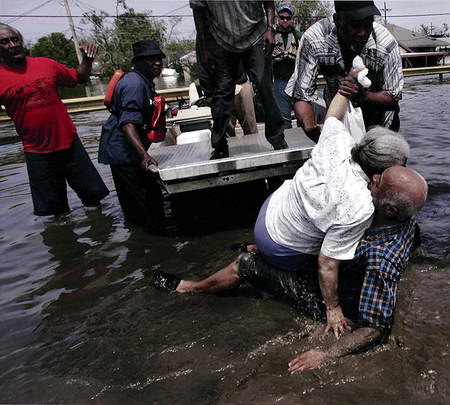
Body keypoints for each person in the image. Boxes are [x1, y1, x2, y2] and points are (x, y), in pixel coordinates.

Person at [154, 68, 411, 342]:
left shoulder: (340, 142)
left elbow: (334, 115)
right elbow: (327, 261)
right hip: (282, 246)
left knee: (328, 225)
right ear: (379, 173)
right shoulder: (359, 203)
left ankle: (253, 249)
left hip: (271, 211)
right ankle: (193, 287)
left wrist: (343, 91)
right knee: (317, 251)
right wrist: (333, 308)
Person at [0, 24, 109, 217]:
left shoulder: (46, 64)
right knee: (56, 211)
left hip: (69, 144)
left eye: (15, 39)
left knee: (93, 199)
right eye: (4, 41)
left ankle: (102, 239)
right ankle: (65, 240)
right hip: (37, 152)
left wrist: (88, 59)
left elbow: (79, 77)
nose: (12, 44)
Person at [288, 0, 403, 141]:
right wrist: (314, 131)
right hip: (338, 125)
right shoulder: (314, 40)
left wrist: (363, 96)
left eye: (368, 25)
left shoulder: (387, 45)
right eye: (355, 26)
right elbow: (301, 95)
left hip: (381, 127)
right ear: (337, 20)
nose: (362, 33)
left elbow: (393, 96)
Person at [190, 0, 288, 159]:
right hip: (221, 39)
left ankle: (278, 139)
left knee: (264, 85)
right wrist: (204, 48)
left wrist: (271, 28)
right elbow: (198, 13)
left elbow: (268, 3)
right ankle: (220, 145)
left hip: (255, 34)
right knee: (223, 92)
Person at [98, 39, 165, 233]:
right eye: (151, 59)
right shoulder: (134, 84)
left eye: (159, 58)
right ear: (138, 62)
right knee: (141, 202)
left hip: (130, 150)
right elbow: (127, 123)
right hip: (123, 152)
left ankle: (147, 233)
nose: (158, 62)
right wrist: (144, 155)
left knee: (149, 197)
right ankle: (150, 238)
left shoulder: (143, 81)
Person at [272, 4, 300, 128]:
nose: (285, 20)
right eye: (282, 17)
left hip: (297, 82)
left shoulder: (298, 36)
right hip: (279, 82)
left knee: (302, 115)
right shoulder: (270, 36)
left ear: (292, 19)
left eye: (288, 18)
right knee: (284, 118)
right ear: (278, 18)